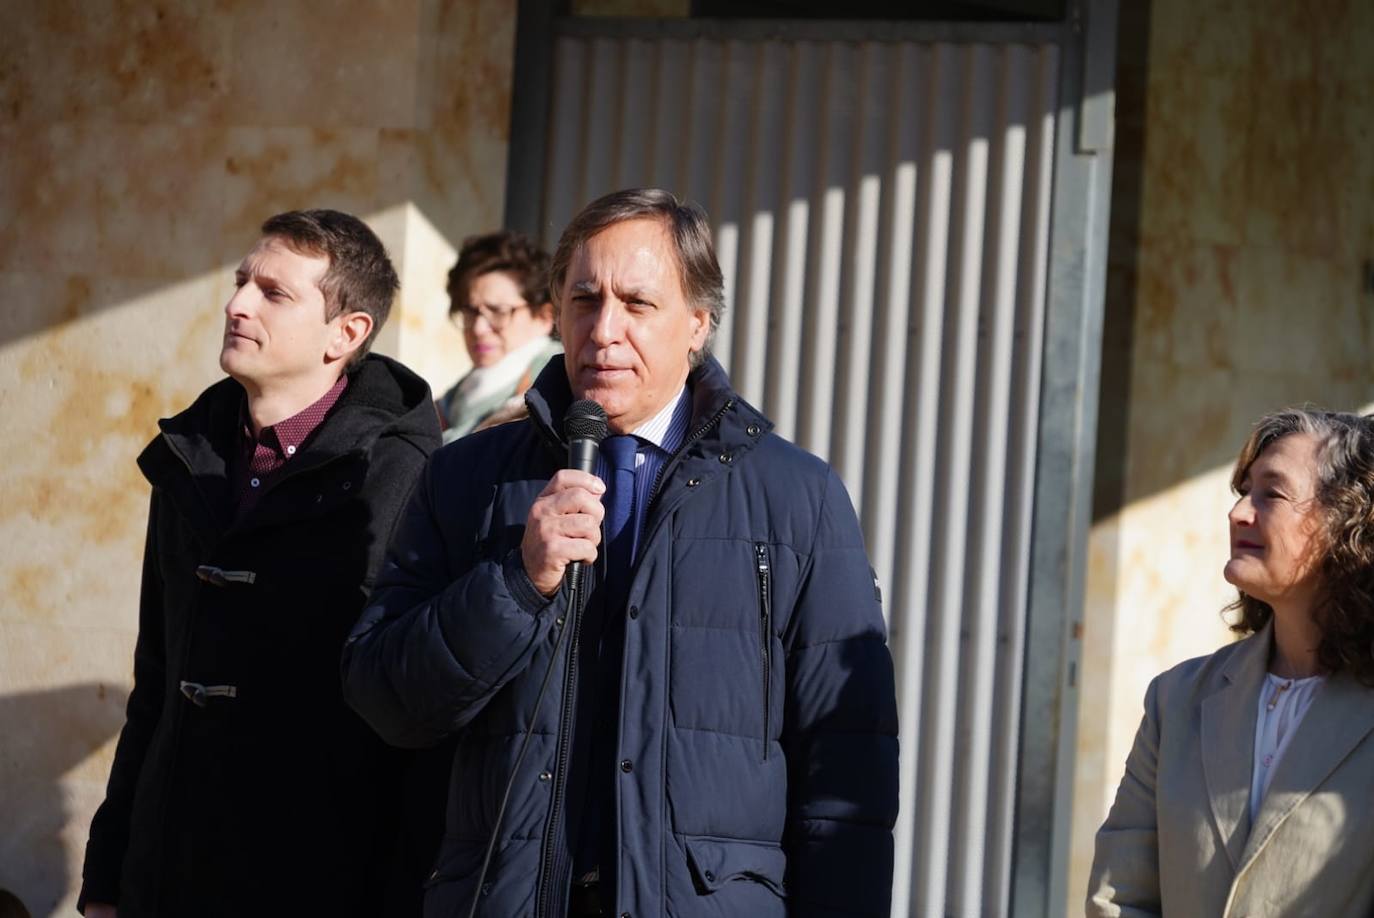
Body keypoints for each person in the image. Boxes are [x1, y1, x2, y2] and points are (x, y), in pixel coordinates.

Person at [342, 188, 900, 917]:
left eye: (637, 305)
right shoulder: (466, 476)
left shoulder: (798, 497)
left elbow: (846, 763)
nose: (604, 331)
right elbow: (385, 698)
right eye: (584, 300)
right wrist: (517, 584)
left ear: (698, 325)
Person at [79, 210, 441, 917]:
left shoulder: (409, 477)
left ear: (348, 333)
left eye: (274, 293)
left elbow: (418, 724)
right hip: (163, 876)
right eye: (242, 281)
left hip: (315, 882)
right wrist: (109, 874)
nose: (236, 304)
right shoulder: (193, 456)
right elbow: (155, 683)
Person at [1088, 408, 1374, 916]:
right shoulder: (1176, 701)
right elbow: (1121, 898)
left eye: (1273, 493)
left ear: (1350, 520)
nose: (1239, 512)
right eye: (1244, 491)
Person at [437, 231, 562, 442]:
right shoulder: (456, 396)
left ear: (544, 317)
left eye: (498, 311)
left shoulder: (554, 385)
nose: (478, 328)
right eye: (470, 311)